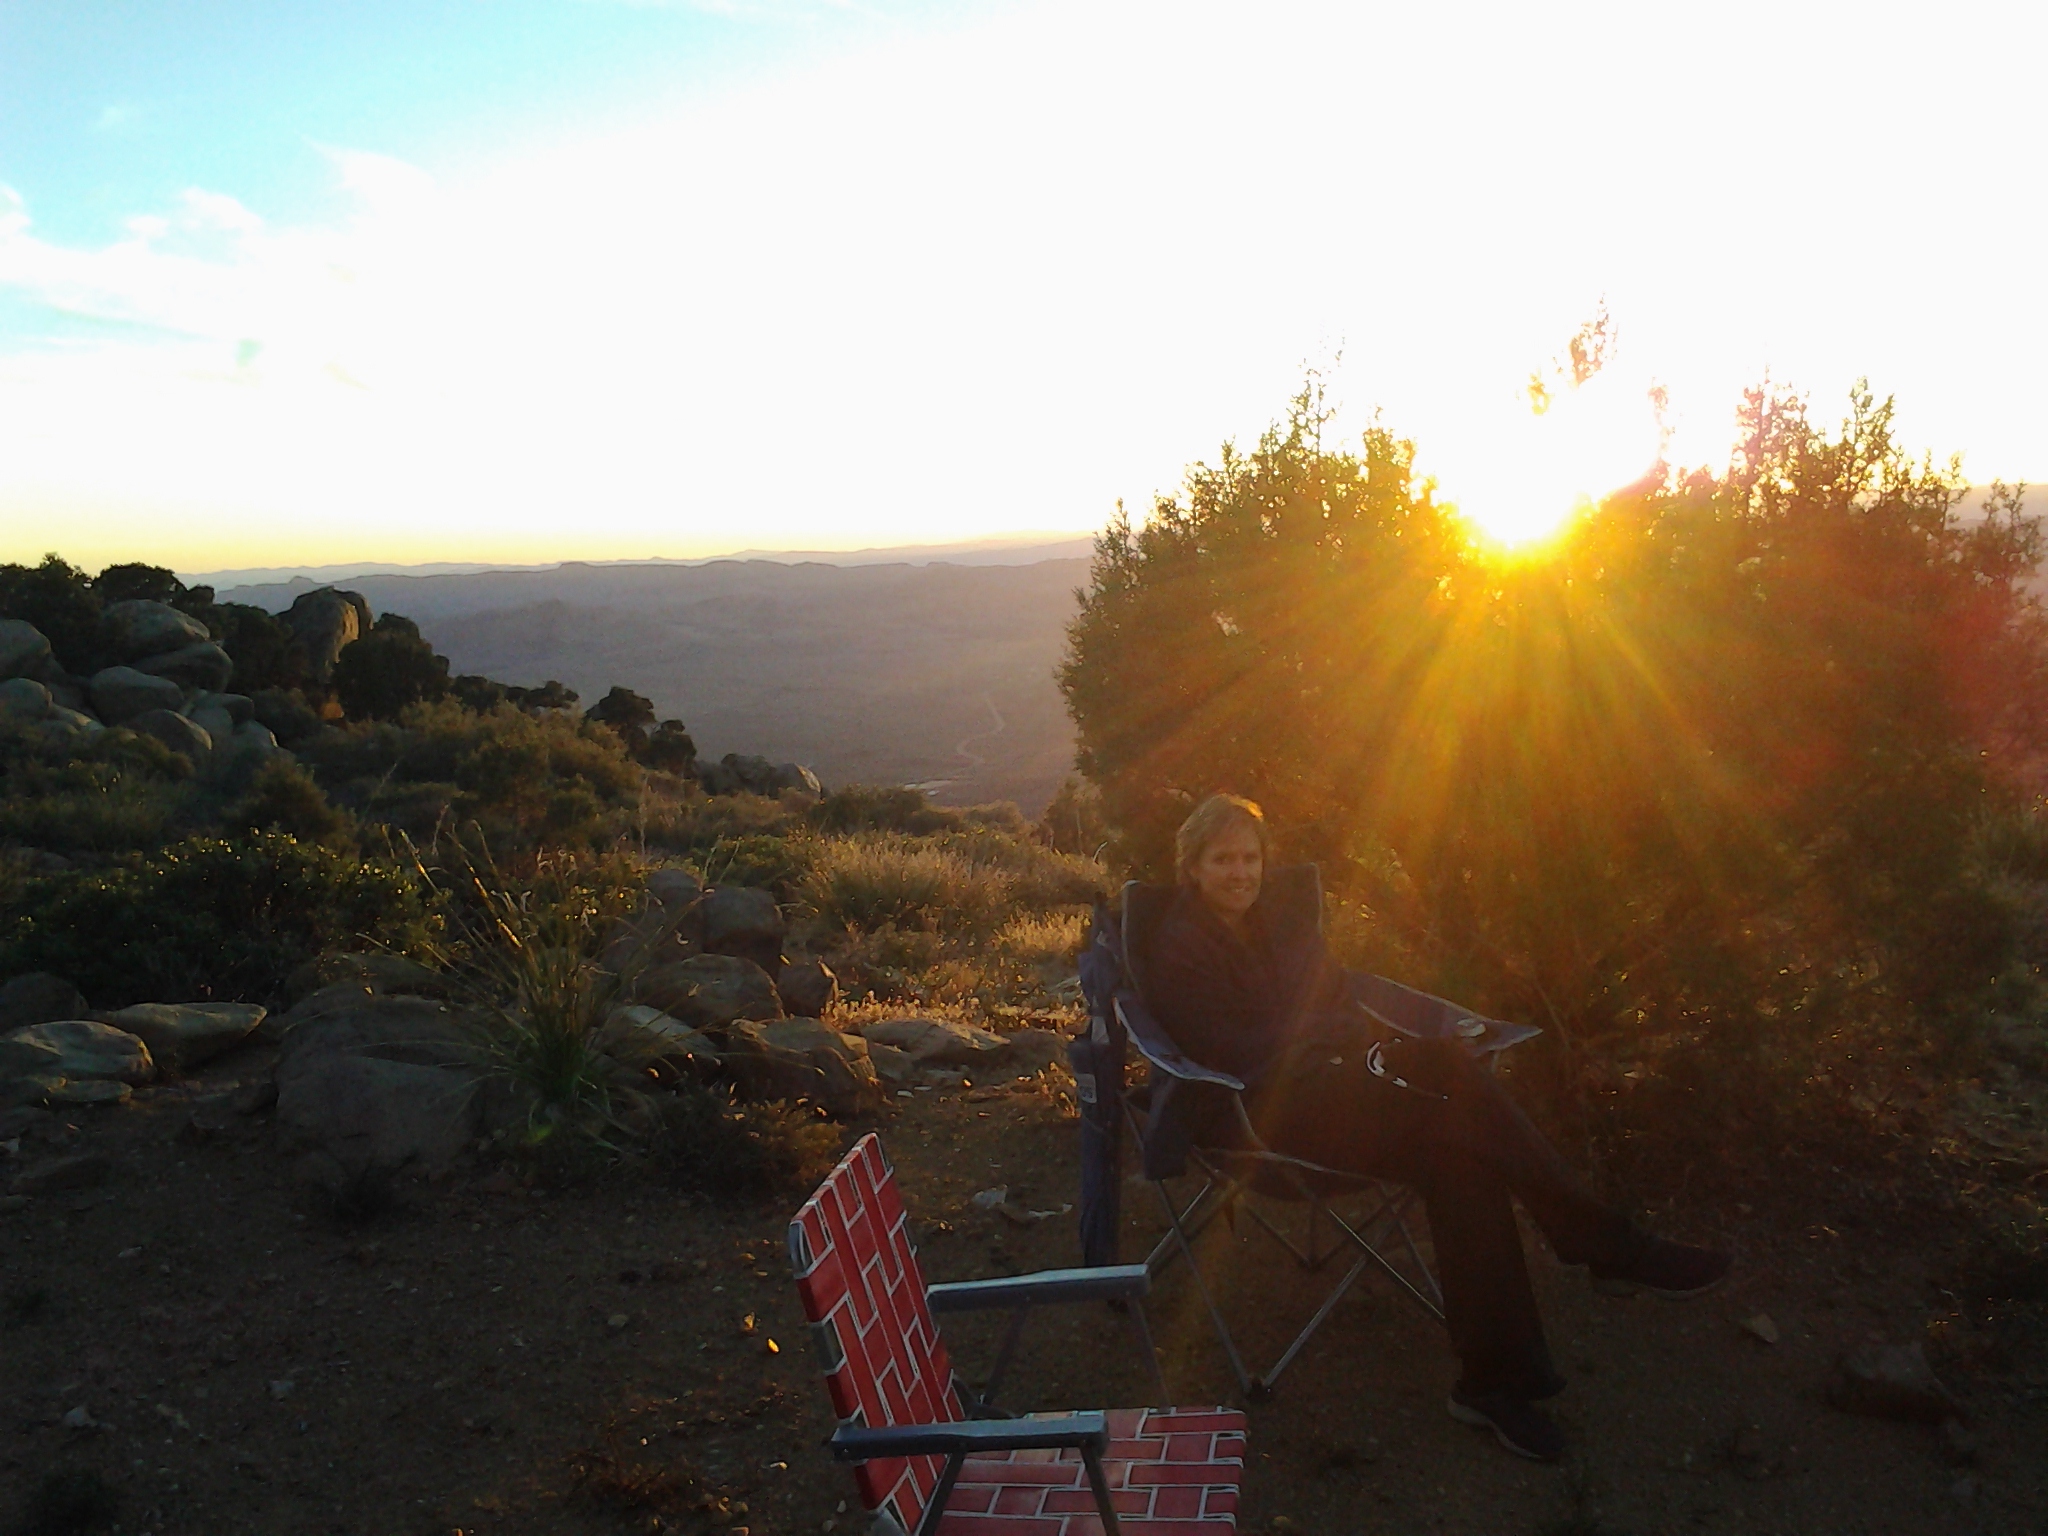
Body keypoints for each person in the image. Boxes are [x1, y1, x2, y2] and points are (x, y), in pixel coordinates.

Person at [1143, 793, 1730, 1462]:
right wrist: (1315, 1044)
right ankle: (1605, 1244)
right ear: (1193, 868)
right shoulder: (1180, 948)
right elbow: (1227, 1050)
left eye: (1250, 858)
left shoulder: (1282, 922)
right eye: (1223, 860)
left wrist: (1333, 1045)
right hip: (1266, 1116)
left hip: (1340, 1081)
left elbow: (1337, 1002)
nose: (1241, 873)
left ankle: (1493, 1385)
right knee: (1454, 1112)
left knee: (1458, 1146)